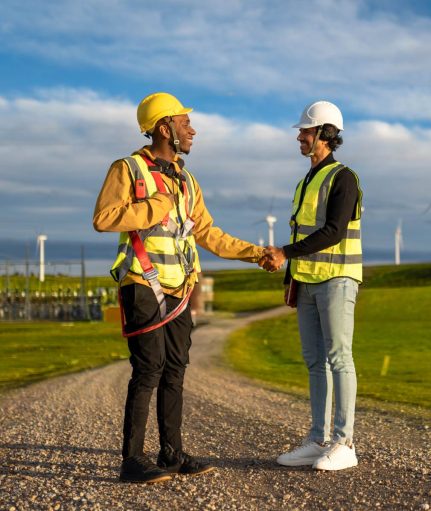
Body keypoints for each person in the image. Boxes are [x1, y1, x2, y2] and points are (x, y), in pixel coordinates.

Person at [93, 92, 267, 483]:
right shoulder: (128, 169)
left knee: (175, 368)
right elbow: (103, 218)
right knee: (148, 368)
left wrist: (257, 253)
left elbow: (207, 233)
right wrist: (155, 206)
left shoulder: (187, 180)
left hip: (181, 289)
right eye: (185, 122)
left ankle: (171, 453)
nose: (193, 129)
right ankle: (132, 460)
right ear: (163, 128)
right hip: (143, 282)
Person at [262, 100, 363, 471]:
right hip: (306, 282)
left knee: (339, 358)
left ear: (325, 134)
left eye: (305, 132)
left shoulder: (344, 178)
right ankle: (318, 439)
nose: (300, 138)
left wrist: (284, 253)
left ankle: (344, 442)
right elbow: (302, 229)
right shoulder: (306, 180)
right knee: (314, 362)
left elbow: (333, 231)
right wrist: (290, 276)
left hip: (337, 279)